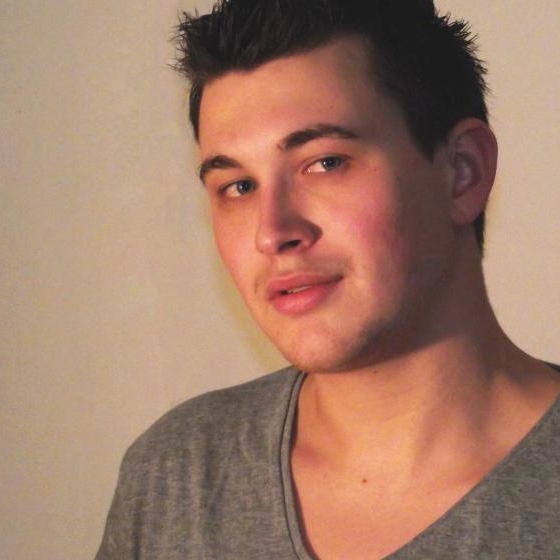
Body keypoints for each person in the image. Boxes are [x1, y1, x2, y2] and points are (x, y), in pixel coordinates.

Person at [96, 0, 560, 558]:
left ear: (463, 172)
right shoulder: (175, 476)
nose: (273, 232)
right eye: (239, 187)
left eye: (325, 163)